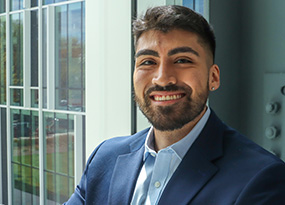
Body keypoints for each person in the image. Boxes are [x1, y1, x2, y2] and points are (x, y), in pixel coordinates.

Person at [65, 5, 285, 205]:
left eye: (182, 60)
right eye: (148, 62)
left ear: (213, 78)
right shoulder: (104, 158)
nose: (162, 79)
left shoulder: (262, 178)